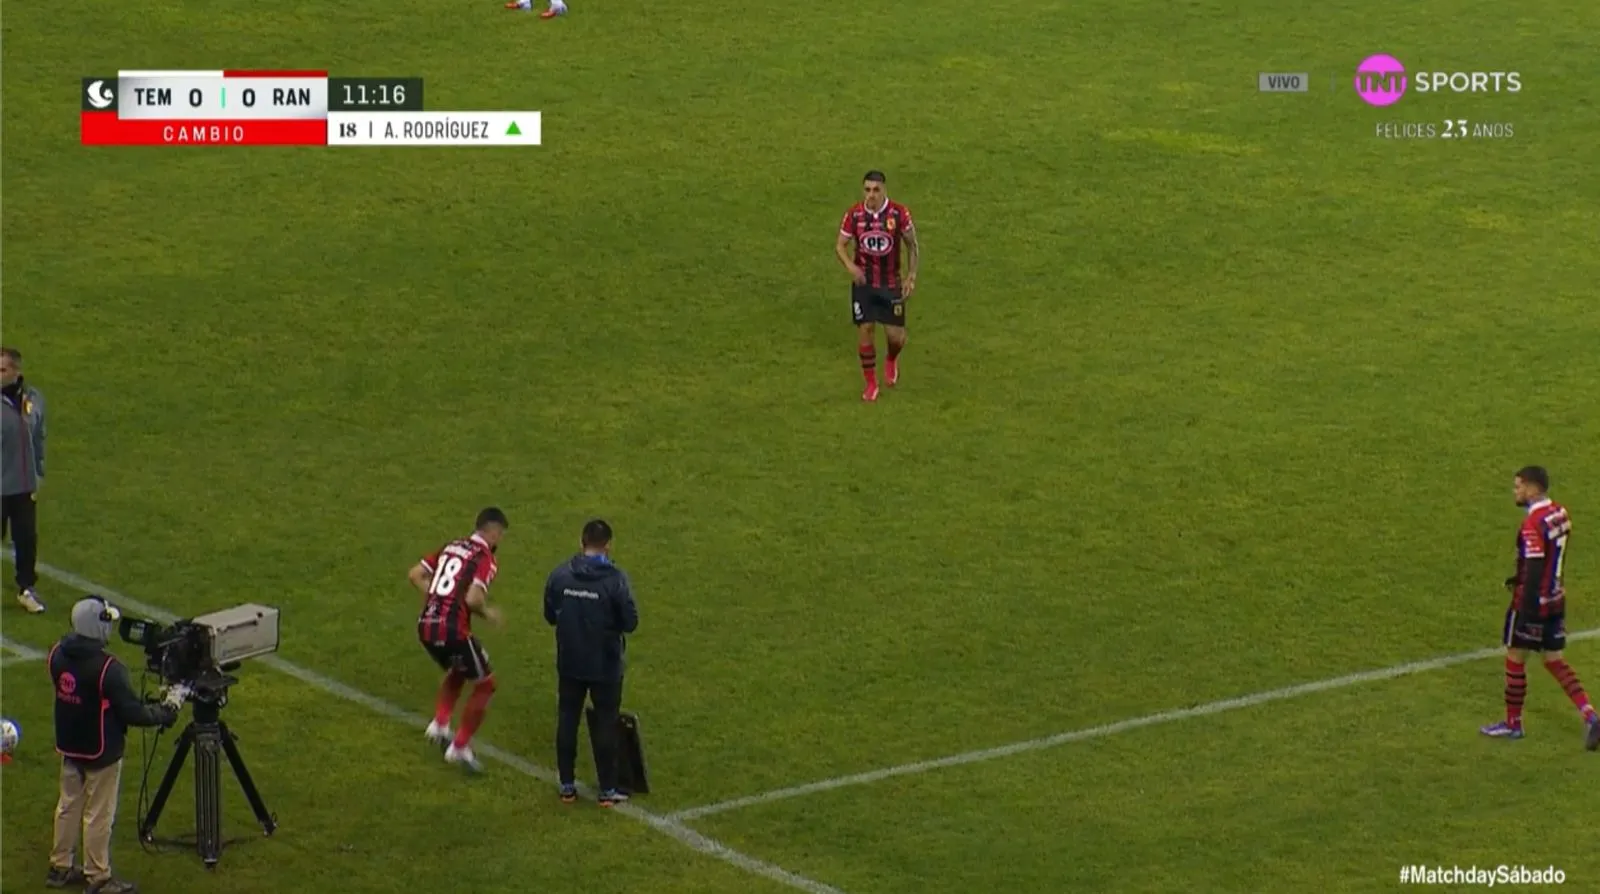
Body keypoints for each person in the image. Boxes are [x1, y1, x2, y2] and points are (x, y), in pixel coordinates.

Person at [48, 596, 178, 892]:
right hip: (101, 749)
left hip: (69, 744)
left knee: (68, 805)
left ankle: (60, 866)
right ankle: (99, 876)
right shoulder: (109, 668)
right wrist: (164, 712)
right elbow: (132, 712)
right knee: (99, 814)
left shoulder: (57, 654)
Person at [1480, 466, 1600, 750]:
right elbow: (1549, 557)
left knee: (1515, 658)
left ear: (1533, 489)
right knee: (1554, 659)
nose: (1516, 492)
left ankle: (1513, 724)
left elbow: (1535, 565)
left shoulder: (1532, 523)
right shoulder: (1560, 513)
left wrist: (1527, 610)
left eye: (1519, 487)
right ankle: (1591, 716)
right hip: (1557, 598)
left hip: (1534, 602)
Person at [544, 518, 638, 806]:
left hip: (570, 661)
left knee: (567, 719)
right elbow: (630, 622)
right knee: (606, 722)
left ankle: (567, 786)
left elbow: (550, 615)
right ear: (607, 545)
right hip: (605, 665)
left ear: (580, 541)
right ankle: (607, 790)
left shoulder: (560, 575)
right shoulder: (615, 580)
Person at [409, 507, 508, 772]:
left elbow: (415, 574)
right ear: (493, 532)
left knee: (458, 668)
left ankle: (439, 725)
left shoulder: (451, 546)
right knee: (486, 684)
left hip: (426, 625)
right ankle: (460, 748)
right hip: (452, 629)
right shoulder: (484, 556)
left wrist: (435, 599)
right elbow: (473, 599)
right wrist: (489, 614)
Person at [835, 170, 919, 402]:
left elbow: (912, 245)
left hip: (891, 283)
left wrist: (911, 276)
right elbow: (840, 245)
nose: (870, 195)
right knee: (866, 330)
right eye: (867, 190)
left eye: (875, 190)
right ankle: (871, 383)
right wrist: (851, 267)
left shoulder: (898, 214)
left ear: (884, 191)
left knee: (896, 337)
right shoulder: (854, 215)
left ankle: (892, 358)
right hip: (864, 283)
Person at [1, 346, 47, 613]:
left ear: (16, 372)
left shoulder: (34, 399)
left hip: (24, 486)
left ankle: (27, 589)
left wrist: (37, 472)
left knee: (26, 538)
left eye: (2, 369)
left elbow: (39, 435)